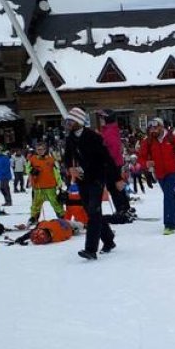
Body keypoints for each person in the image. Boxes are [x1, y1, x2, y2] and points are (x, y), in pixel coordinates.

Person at [63, 107, 118, 259]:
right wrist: (70, 168)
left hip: (97, 178)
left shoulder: (94, 137)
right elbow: (67, 157)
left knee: (93, 212)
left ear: (79, 122)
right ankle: (109, 239)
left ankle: (90, 249)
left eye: (71, 121)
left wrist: (117, 178)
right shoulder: (70, 138)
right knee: (92, 212)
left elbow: (107, 158)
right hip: (82, 179)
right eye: (67, 120)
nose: (68, 123)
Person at [137, 117, 175, 235]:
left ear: (161, 127)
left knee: (168, 195)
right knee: (171, 196)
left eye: (155, 127)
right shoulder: (148, 141)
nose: (153, 130)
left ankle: (169, 225)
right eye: (151, 128)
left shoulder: (171, 138)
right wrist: (146, 163)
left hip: (172, 171)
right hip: (159, 173)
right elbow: (141, 157)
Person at [96, 109, 133, 217]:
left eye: (102, 118)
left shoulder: (109, 130)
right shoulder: (108, 129)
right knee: (116, 185)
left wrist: (107, 160)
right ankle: (124, 207)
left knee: (114, 186)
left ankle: (122, 209)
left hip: (112, 162)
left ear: (107, 118)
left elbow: (114, 148)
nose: (101, 120)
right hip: (113, 162)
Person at [27, 141, 63, 224]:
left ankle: (61, 215)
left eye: (42, 149)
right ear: (36, 150)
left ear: (45, 150)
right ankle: (34, 217)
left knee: (55, 202)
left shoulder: (50, 160)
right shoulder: (32, 159)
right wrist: (32, 171)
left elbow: (56, 172)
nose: (40, 151)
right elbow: (27, 168)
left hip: (50, 185)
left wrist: (59, 182)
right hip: (38, 186)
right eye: (38, 149)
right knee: (36, 203)